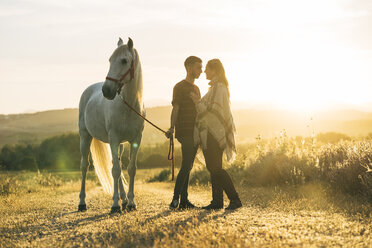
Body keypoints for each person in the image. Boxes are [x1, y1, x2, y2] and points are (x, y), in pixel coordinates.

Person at [190, 59, 242, 210]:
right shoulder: (215, 88)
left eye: (207, 69)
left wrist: (196, 102)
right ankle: (217, 201)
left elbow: (212, 112)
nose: (205, 71)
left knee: (216, 169)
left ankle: (235, 199)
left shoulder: (219, 88)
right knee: (213, 168)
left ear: (215, 70)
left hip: (214, 133)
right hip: (211, 134)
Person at [166, 56, 202, 210]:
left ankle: (184, 201)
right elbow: (176, 108)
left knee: (188, 165)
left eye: (201, 67)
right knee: (187, 164)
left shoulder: (196, 89)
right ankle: (175, 199)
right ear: (188, 67)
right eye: (198, 67)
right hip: (185, 131)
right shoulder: (179, 87)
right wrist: (171, 127)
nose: (200, 70)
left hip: (195, 132)